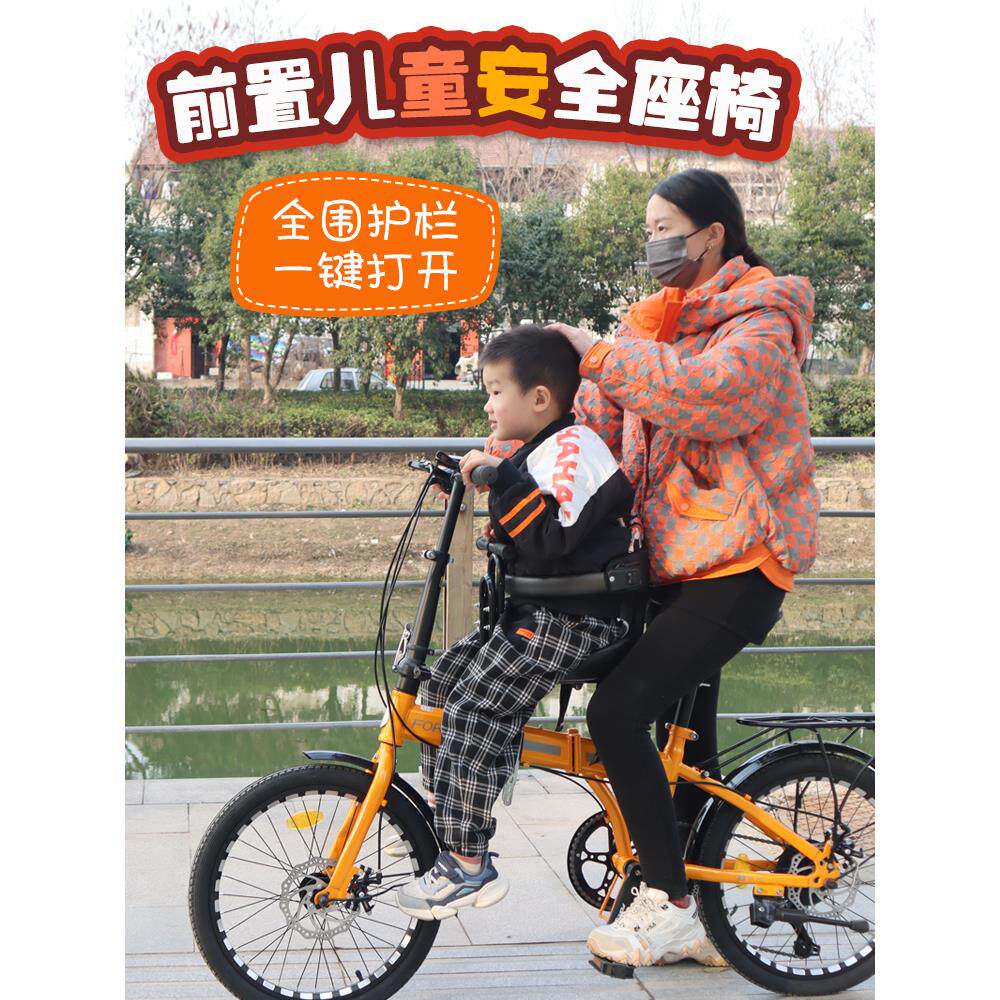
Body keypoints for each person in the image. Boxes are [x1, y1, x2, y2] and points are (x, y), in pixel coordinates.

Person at [545, 167, 820, 967]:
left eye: (665, 228)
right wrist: (505, 453)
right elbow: (589, 426)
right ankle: (699, 917)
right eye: (649, 230)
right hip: (677, 562)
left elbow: (711, 396)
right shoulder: (651, 326)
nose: (653, 244)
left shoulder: (763, 322)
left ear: (713, 235)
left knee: (617, 712)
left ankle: (666, 901)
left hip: (743, 562)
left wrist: (603, 355)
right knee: (681, 745)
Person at [395, 324, 636, 921]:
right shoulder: (537, 449)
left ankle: (468, 860)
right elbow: (524, 502)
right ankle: (447, 813)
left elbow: (552, 537)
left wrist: (500, 478)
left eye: (496, 391)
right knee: (443, 682)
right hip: (542, 612)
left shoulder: (574, 449)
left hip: (581, 618)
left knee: (476, 705)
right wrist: (470, 474)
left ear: (540, 398)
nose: (488, 404)